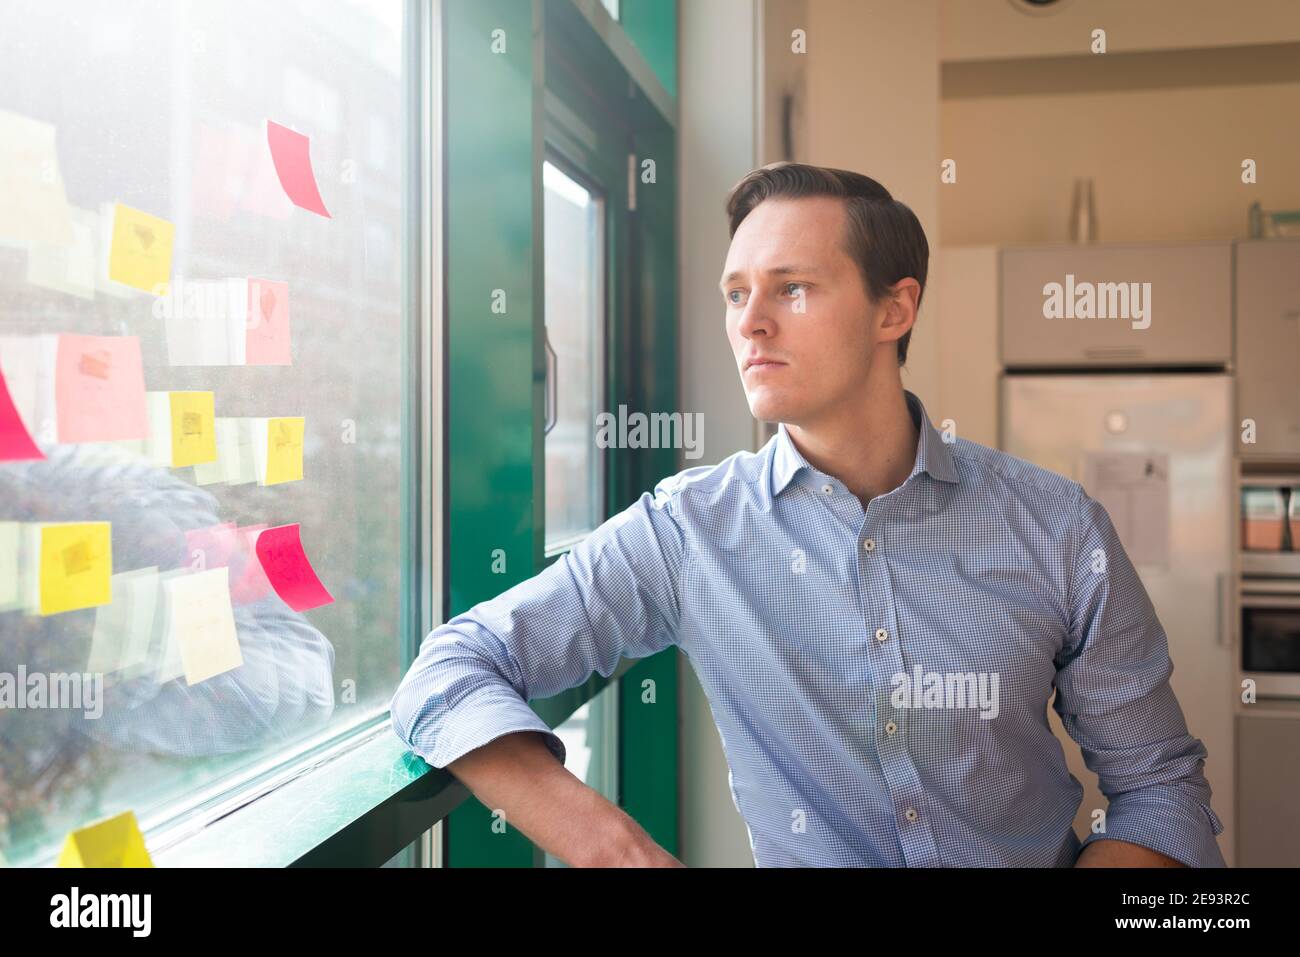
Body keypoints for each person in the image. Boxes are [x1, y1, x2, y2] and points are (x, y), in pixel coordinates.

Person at [389, 162, 1226, 868]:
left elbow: (1160, 792)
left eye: (792, 288)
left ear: (894, 310)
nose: (750, 323)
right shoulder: (688, 531)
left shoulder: (1057, 526)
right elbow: (451, 671)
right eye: (736, 293)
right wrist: (618, 850)